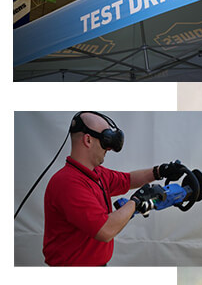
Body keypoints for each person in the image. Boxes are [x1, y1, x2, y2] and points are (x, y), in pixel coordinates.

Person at [42, 111, 189, 266]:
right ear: (88, 140)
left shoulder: (96, 173)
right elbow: (105, 230)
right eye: (106, 140)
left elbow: (128, 179)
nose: (109, 148)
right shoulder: (68, 183)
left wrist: (160, 171)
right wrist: (136, 201)